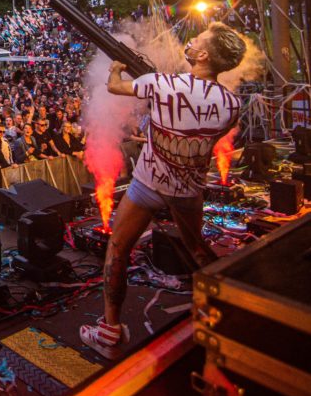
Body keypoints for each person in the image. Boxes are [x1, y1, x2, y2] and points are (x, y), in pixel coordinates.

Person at [79, 22, 245, 357]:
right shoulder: (231, 104)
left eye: (197, 40)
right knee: (198, 250)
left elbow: (115, 86)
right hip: (188, 189)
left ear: (201, 55)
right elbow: (203, 134)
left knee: (118, 249)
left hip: (148, 184)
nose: (191, 41)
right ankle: (232, 310)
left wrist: (116, 67)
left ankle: (110, 332)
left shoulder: (161, 84)